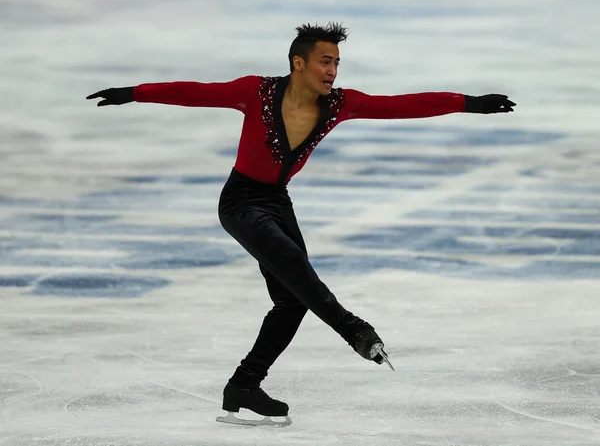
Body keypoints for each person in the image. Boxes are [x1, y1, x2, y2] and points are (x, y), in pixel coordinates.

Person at [86, 22, 516, 426]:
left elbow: (399, 105)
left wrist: (470, 104)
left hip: (276, 202)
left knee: (292, 299)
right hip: (239, 203)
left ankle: (243, 386)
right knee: (292, 263)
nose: (332, 70)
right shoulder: (255, 92)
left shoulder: (339, 105)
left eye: (336, 63)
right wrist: (133, 93)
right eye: (324, 61)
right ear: (299, 63)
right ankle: (354, 330)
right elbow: (197, 92)